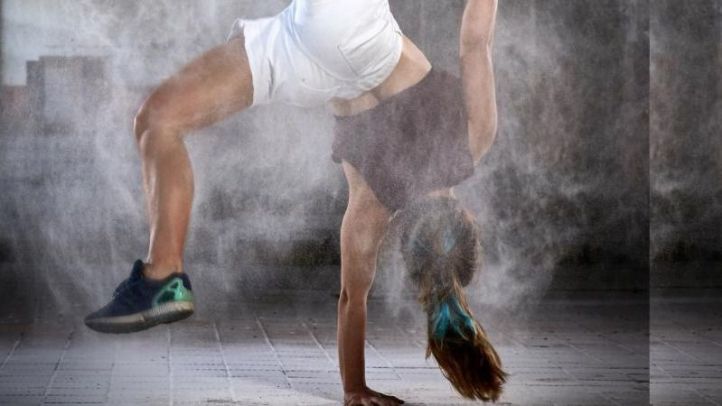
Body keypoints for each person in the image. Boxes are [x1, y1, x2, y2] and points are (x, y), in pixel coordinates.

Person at [84, 0, 500, 404]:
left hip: (356, 30)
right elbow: (352, 301)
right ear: (405, 244)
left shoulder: (473, 140)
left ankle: (163, 265)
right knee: (159, 121)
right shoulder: (372, 209)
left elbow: (475, 41)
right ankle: (164, 276)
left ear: (466, 217)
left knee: (159, 121)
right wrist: (355, 389)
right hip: (303, 64)